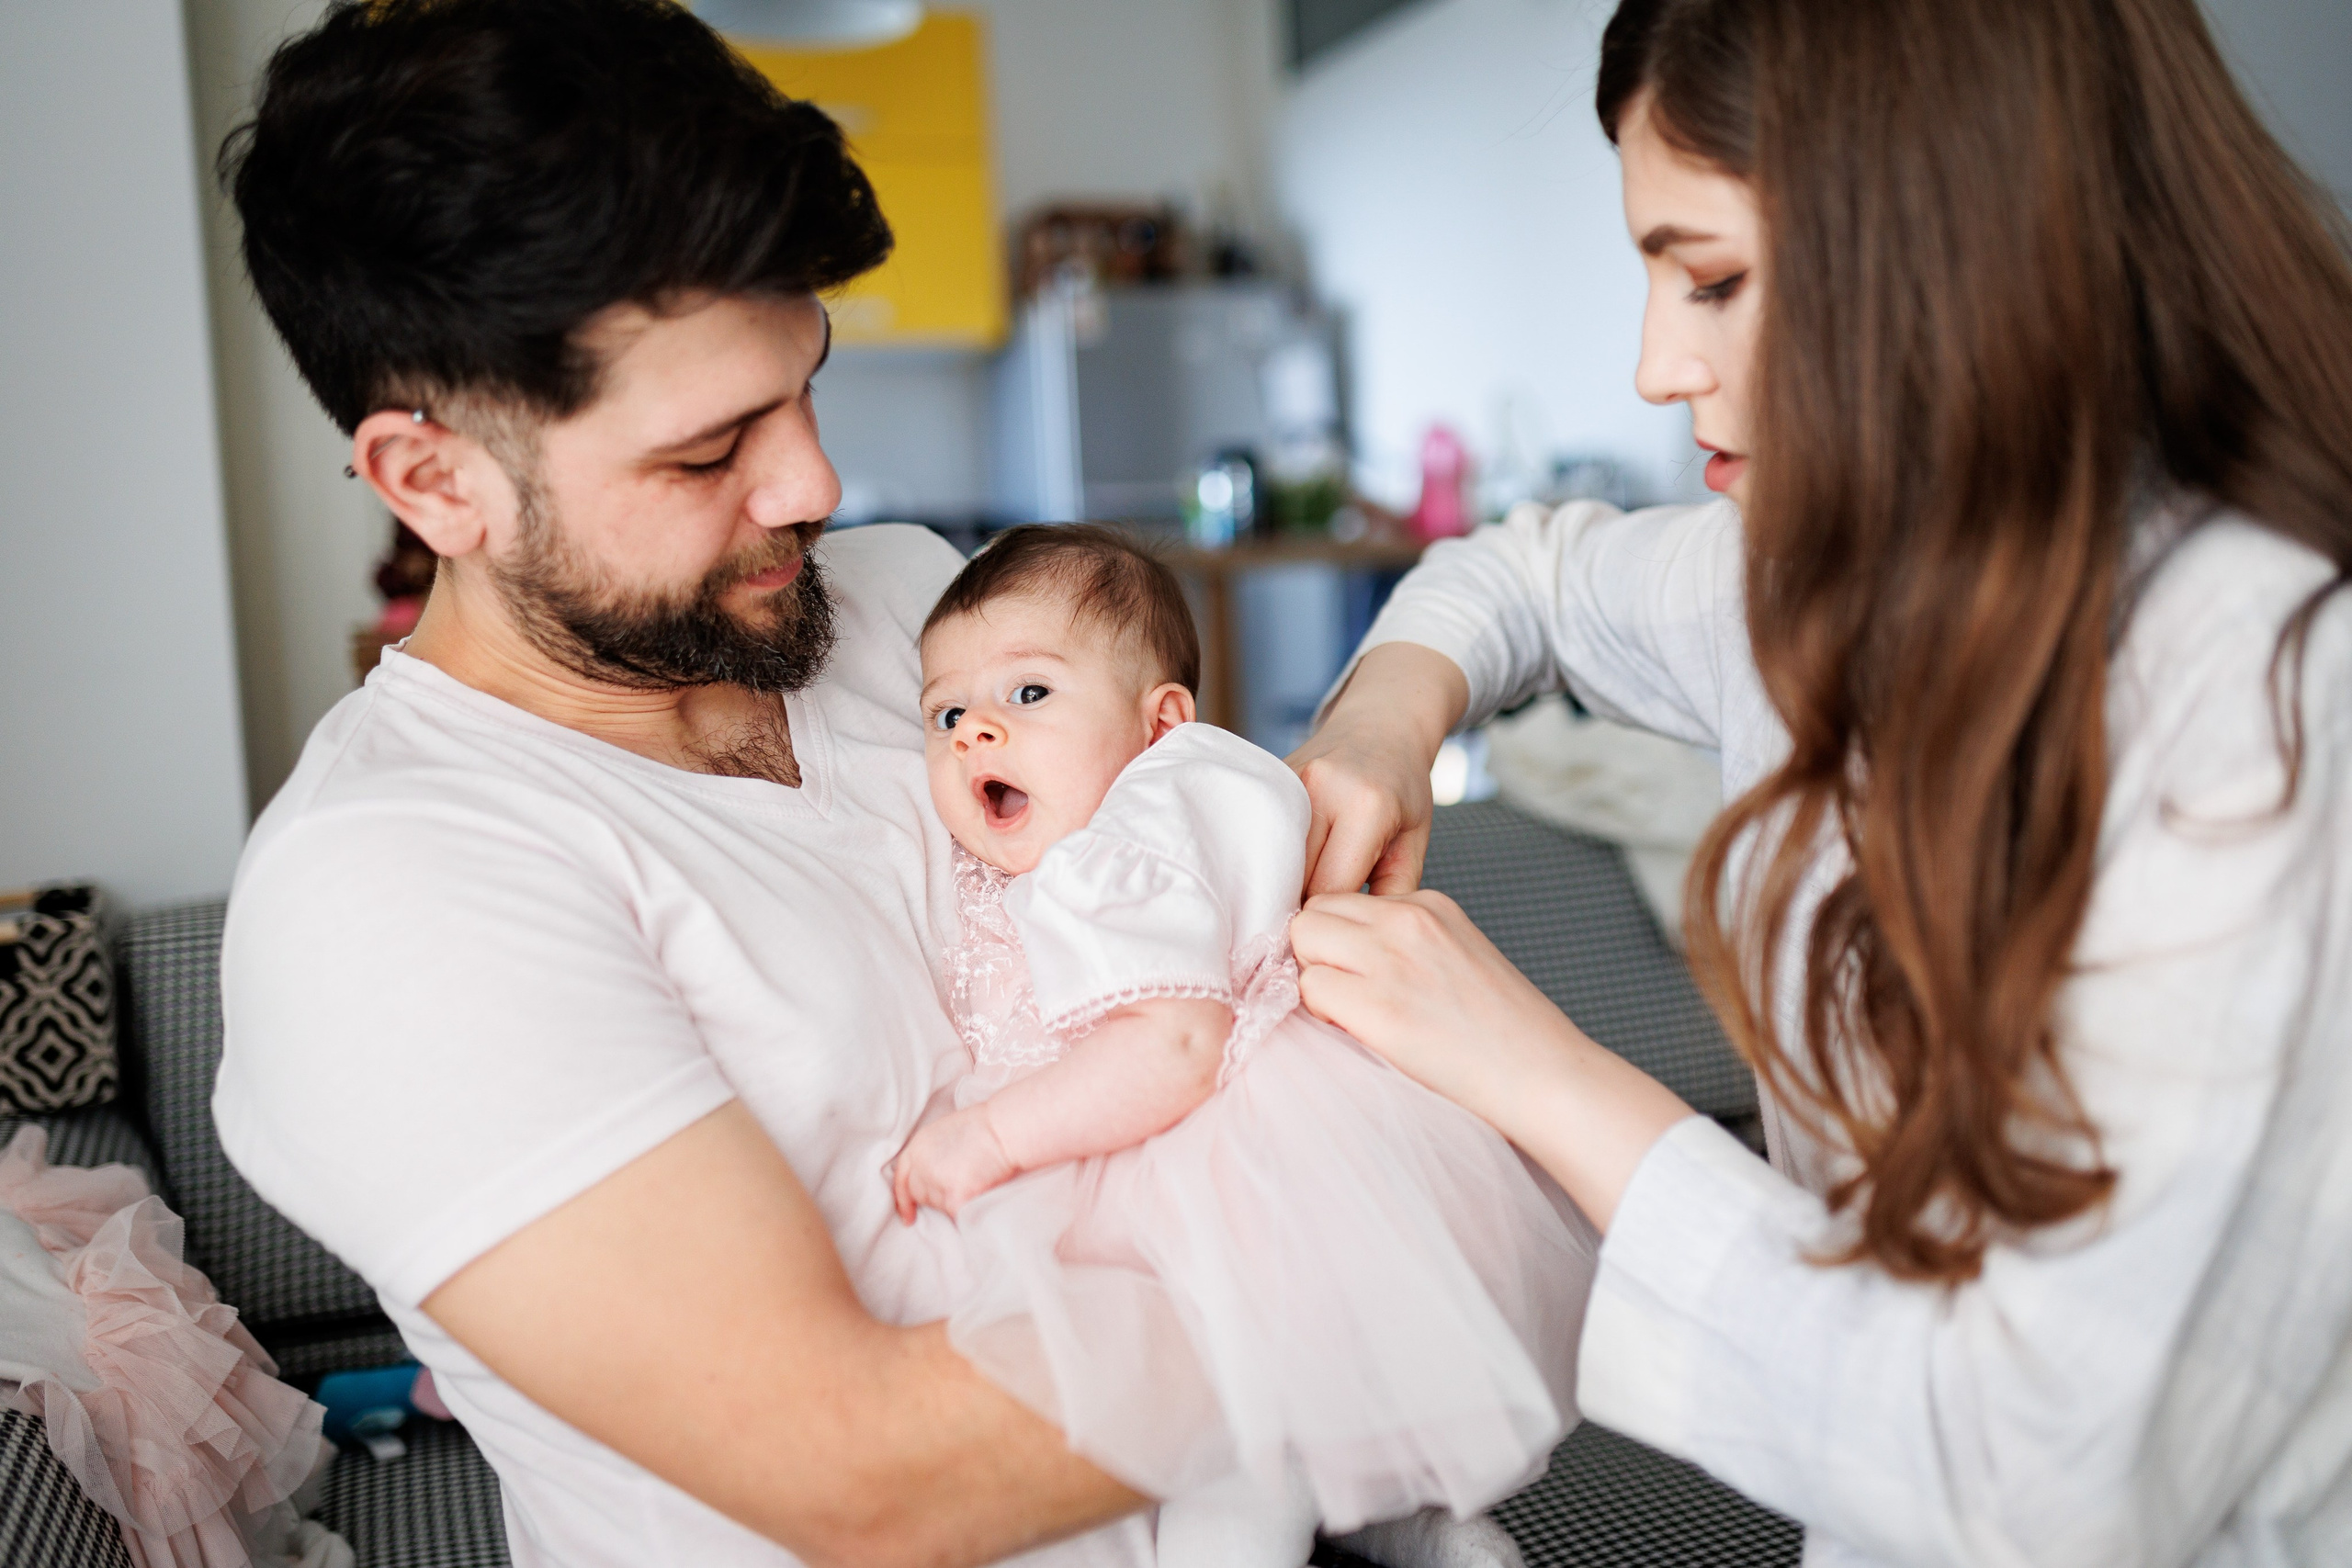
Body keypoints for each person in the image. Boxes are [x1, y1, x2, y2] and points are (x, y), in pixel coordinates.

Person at [1286, 0, 2352, 1564]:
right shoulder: (1803, 569)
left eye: (1711, 276)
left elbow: (2037, 1487)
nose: (1656, 363)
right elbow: (1508, 576)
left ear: (1950, 238)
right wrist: (1379, 724)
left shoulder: (2268, 690)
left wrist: (1534, 1071)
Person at [211, 5, 1153, 1565]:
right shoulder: (384, 892)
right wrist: (1421, 1298)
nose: (816, 486)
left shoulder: (924, 610)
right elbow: (866, 1474)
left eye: (805, 385)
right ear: (436, 481)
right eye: (710, 449)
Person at [893, 525, 1595, 1568]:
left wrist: (988, 1137)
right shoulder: (1062, 853)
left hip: (1220, 1149)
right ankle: (1393, 1513)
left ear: (1159, 723)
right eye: (947, 714)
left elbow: (1173, 1045)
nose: (978, 734)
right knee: (1287, 1387)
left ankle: (1310, 1529)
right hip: (1174, 1144)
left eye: (1029, 695)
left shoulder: (1139, 835)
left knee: (1232, 1406)